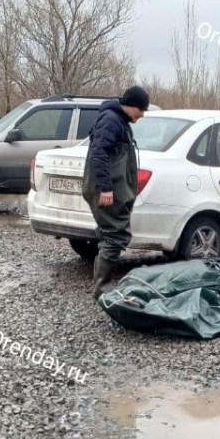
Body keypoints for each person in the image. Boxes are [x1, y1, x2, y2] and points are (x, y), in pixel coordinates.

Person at [82, 85, 150, 299]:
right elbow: (98, 153)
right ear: (133, 106)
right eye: (142, 110)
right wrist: (106, 188)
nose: (142, 115)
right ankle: (102, 287)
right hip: (106, 188)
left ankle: (101, 283)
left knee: (108, 233)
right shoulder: (111, 120)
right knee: (116, 233)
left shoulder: (118, 120)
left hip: (113, 187)